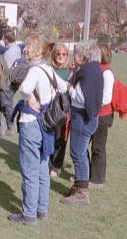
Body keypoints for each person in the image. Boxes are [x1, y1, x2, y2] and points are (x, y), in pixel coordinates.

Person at [8, 34, 67, 225]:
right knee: (42, 168)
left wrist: (29, 97)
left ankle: (29, 214)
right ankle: (42, 210)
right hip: (46, 125)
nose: (25, 50)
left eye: (28, 48)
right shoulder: (49, 69)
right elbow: (65, 86)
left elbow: (24, 87)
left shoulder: (34, 70)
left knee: (30, 170)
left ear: (38, 51)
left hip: (31, 124)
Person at [61, 41, 103, 205]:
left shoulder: (86, 71)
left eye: (76, 52)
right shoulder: (94, 69)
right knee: (81, 152)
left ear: (83, 55)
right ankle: (80, 184)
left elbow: (80, 97)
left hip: (82, 117)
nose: (74, 55)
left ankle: (82, 193)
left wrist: (69, 87)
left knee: (78, 153)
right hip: (92, 117)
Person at [88, 43, 114, 189]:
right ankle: (92, 175)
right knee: (94, 146)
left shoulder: (107, 73)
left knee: (98, 147)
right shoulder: (99, 69)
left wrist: (90, 103)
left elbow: (106, 98)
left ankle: (98, 180)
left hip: (103, 115)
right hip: (96, 112)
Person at [49, 43, 71, 178]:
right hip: (50, 109)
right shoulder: (49, 69)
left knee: (61, 138)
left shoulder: (70, 71)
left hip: (64, 110)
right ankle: (50, 162)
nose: (61, 56)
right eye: (58, 54)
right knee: (50, 137)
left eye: (64, 54)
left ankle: (56, 165)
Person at [0, 29, 21, 136]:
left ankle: (11, 128)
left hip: (7, 81)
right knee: (4, 103)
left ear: (6, 39)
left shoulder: (10, 52)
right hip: (14, 81)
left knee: (6, 104)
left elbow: (4, 69)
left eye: (4, 39)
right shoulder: (17, 49)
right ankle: (2, 129)